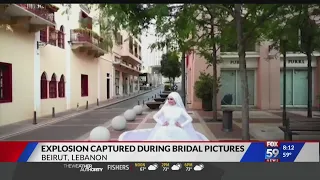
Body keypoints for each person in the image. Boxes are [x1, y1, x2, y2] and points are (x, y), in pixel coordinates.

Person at [118, 92, 209, 141]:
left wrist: (182, 125)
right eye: (168, 99)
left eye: (171, 99)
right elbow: (155, 116)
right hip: (165, 130)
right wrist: (162, 123)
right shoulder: (165, 108)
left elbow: (190, 118)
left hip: (177, 130)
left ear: (176, 100)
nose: (169, 101)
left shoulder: (180, 109)